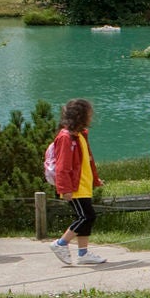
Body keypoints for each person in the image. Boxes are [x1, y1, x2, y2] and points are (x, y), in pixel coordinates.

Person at [48, 99, 105, 266]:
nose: (91, 116)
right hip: (75, 186)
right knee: (87, 216)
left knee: (86, 217)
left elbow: (88, 160)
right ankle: (61, 243)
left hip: (84, 185)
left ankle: (83, 253)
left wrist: (95, 179)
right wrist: (65, 188)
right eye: (89, 114)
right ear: (80, 115)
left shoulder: (80, 135)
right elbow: (62, 166)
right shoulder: (65, 137)